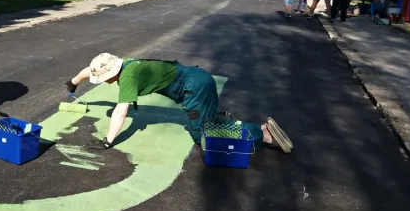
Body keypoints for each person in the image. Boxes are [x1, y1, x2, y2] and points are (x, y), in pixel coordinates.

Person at [66, 53, 293, 153]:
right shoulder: (124, 63)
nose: (103, 82)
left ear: (112, 73)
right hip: (198, 79)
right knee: (206, 121)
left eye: (104, 79)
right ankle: (219, 117)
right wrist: (73, 82)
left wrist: (108, 141)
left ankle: (261, 133)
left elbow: (121, 111)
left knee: (203, 136)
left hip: (195, 88)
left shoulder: (127, 78)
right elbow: (90, 70)